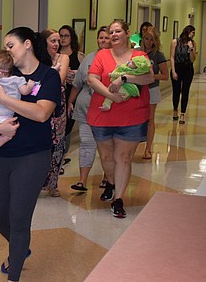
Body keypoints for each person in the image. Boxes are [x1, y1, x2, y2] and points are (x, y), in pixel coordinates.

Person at [0, 27, 61, 282]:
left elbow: (40, 113)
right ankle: (20, 247)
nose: (8, 50)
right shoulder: (1, 73)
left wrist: (5, 100)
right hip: (0, 154)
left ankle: (13, 281)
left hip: (33, 155)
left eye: (11, 44)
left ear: (27, 45)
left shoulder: (47, 77)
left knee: (19, 214)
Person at [87, 20, 154, 218]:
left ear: (127, 33)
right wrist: (111, 96)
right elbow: (92, 79)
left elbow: (149, 78)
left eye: (118, 31)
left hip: (132, 115)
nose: (114, 34)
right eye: (111, 32)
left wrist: (124, 78)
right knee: (106, 157)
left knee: (123, 158)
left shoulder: (139, 56)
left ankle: (119, 199)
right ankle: (111, 182)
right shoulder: (102, 55)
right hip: (102, 114)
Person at [68, 26, 109, 191]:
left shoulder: (117, 59)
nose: (103, 41)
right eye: (101, 38)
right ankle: (82, 181)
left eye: (107, 38)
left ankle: (108, 178)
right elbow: (77, 84)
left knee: (106, 147)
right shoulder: (89, 58)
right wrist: (71, 102)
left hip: (107, 111)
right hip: (86, 109)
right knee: (86, 143)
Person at [0, 49, 35, 156]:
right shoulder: (17, 80)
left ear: (0, 72)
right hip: (5, 115)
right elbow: (24, 91)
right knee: (8, 135)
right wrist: (30, 86)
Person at [41, 28, 68, 197]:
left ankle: (53, 184)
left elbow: (60, 79)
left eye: (58, 41)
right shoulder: (38, 60)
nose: (57, 44)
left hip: (58, 108)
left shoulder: (63, 58)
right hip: (40, 107)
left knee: (57, 146)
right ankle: (39, 181)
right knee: (42, 146)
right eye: (53, 41)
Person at [140, 26, 168, 159]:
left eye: (151, 39)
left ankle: (148, 148)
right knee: (138, 118)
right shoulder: (137, 53)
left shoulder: (158, 55)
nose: (148, 42)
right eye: (146, 38)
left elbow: (165, 75)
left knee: (150, 119)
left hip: (152, 89)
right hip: (138, 90)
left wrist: (151, 76)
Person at [58, 25, 81, 160]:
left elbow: (84, 77)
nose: (63, 39)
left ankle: (63, 155)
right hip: (58, 94)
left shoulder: (78, 56)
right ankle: (58, 156)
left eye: (66, 35)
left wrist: (75, 75)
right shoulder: (56, 55)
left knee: (67, 127)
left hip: (72, 95)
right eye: (61, 35)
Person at [170, 25, 197, 124]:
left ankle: (183, 113)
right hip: (177, 67)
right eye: (193, 32)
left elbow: (193, 59)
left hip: (188, 69)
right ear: (188, 31)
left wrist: (191, 49)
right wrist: (173, 71)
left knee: (185, 91)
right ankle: (175, 110)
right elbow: (172, 57)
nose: (193, 35)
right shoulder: (175, 42)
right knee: (176, 91)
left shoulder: (193, 43)